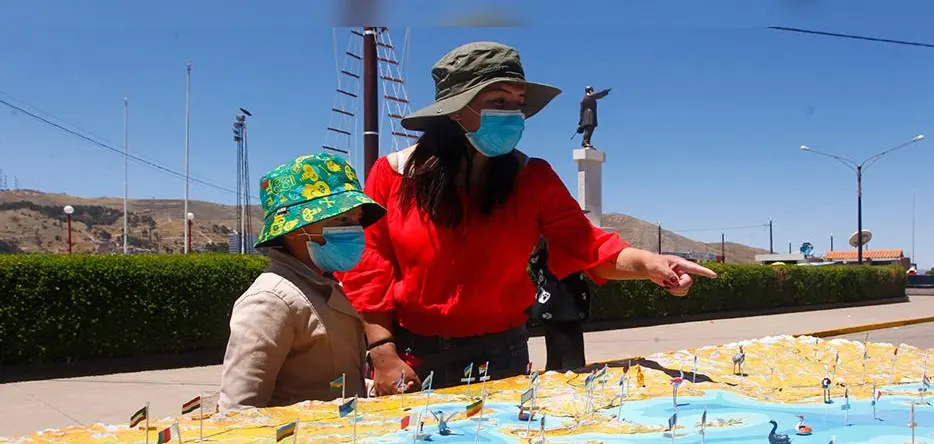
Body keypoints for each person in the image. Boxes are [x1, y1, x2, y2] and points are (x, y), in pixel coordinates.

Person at [336, 41, 717, 395]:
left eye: (518, 104)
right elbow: (369, 267)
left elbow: (589, 245)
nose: (514, 115)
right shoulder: (395, 174)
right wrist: (383, 353)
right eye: (498, 101)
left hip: (505, 355)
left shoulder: (532, 177)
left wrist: (652, 264)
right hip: (413, 357)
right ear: (455, 110)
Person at [218, 152, 385, 412]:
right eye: (341, 220)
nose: (354, 230)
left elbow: (322, 382)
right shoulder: (270, 301)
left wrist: (374, 387)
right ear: (297, 228)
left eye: (355, 220)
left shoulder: (323, 285)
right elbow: (239, 409)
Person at [529, 236, 589, 372]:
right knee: (571, 370)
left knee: (558, 367)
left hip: (555, 307)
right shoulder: (559, 243)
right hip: (563, 308)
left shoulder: (542, 249)